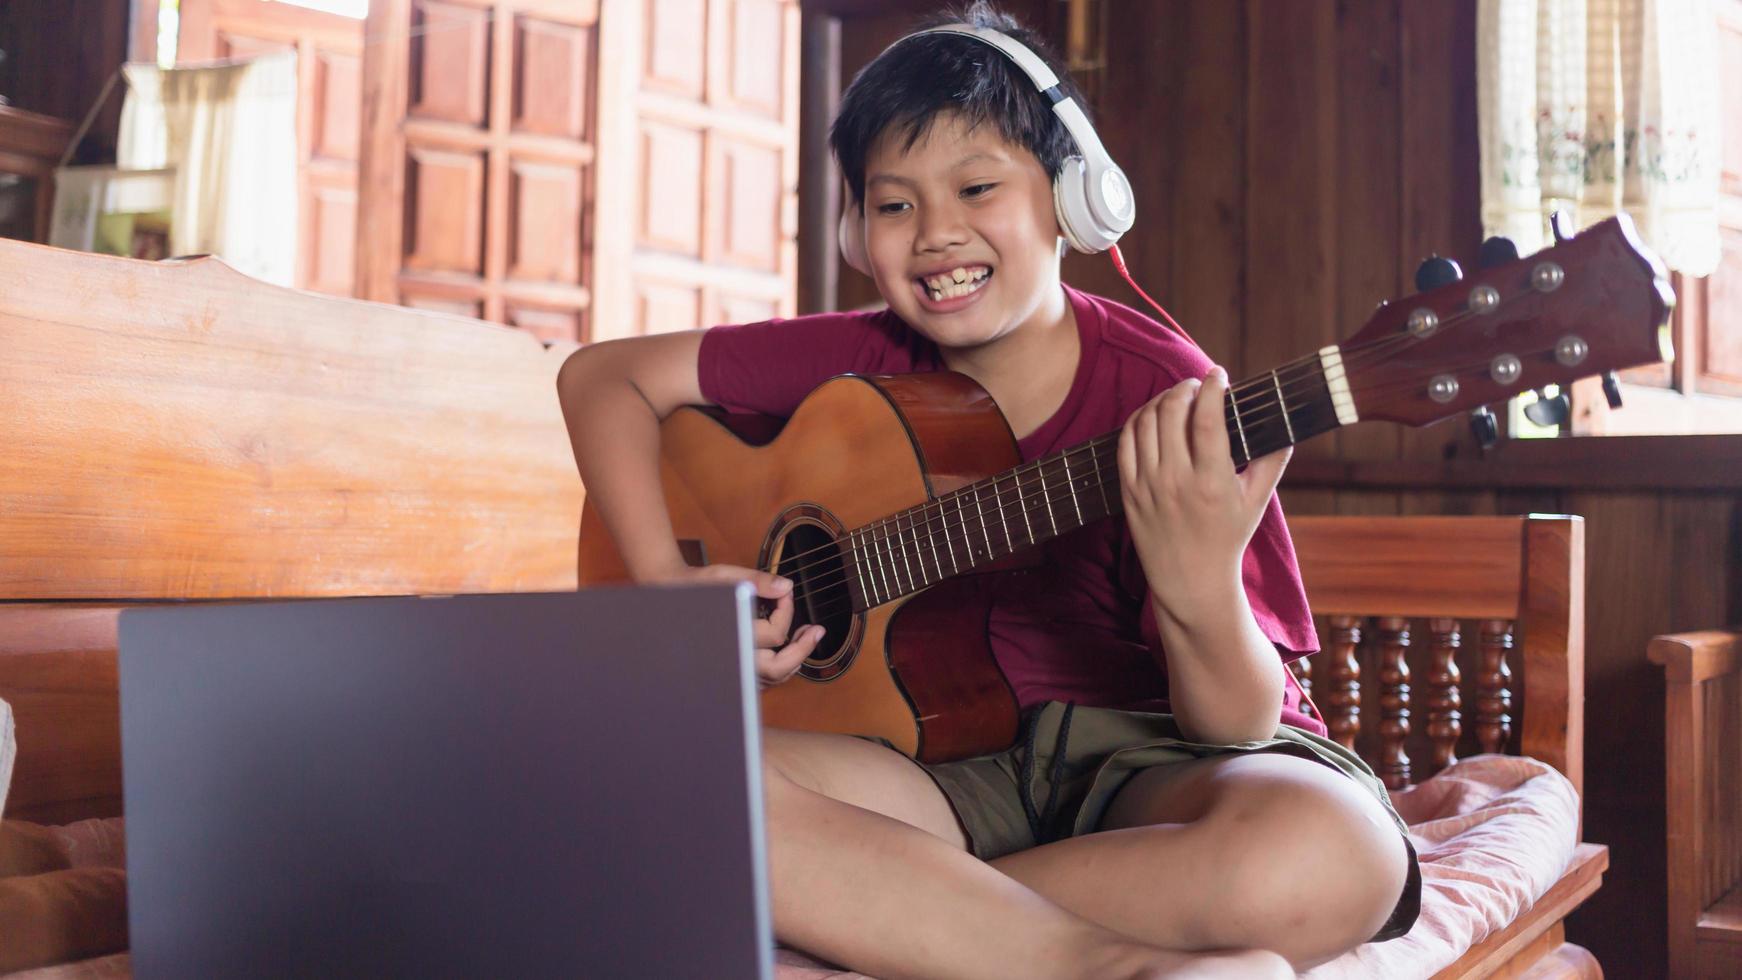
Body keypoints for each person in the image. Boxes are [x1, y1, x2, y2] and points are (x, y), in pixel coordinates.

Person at [557, 4, 1417, 977]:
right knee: (650, 769)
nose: (935, 235)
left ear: (1072, 198)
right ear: (854, 228)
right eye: (892, 205)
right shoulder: (857, 358)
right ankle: (1101, 962)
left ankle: (893, 919)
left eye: (975, 187)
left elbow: (1234, 724)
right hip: (931, 766)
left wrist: (1197, 582)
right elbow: (600, 378)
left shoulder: (1168, 390)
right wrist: (664, 575)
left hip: (1154, 764)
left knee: (1338, 857)